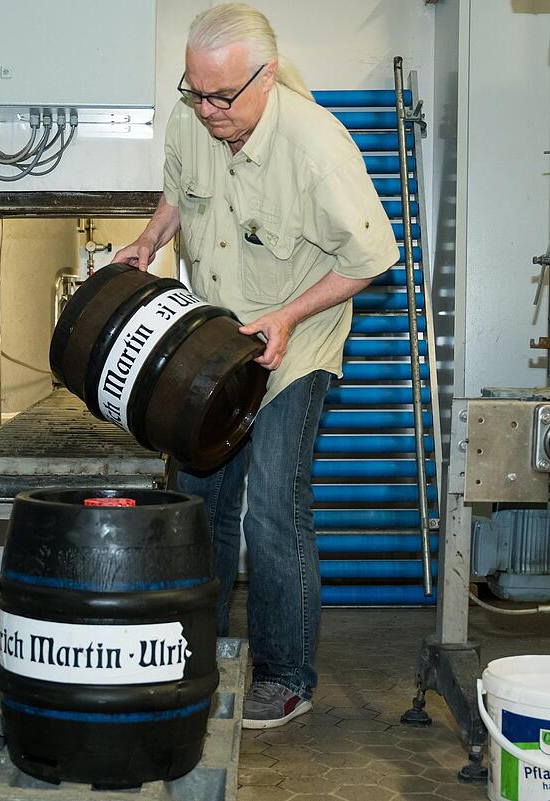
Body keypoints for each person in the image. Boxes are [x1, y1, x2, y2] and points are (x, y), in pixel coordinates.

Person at [112, 3, 399, 729]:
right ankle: (193, 654)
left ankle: (285, 676)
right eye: (194, 91)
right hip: (212, 350)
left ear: (266, 78)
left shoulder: (318, 147)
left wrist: (288, 317)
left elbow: (374, 259)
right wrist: (148, 241)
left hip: (294, 346)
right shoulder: (192, 120)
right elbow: (179, 190)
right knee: (200, 505)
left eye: (222, 96)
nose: (206, 109)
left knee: (273, 509)